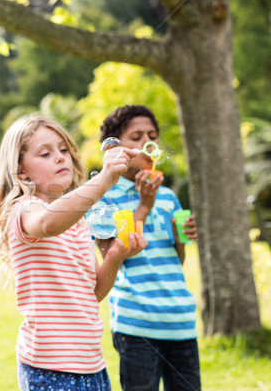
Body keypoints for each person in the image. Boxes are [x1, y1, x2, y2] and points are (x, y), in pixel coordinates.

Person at [0, 113, 147, 391]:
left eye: (63, 150)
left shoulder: (79, 222)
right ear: (21, 170)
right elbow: (49, 223)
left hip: (91, 363)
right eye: (46, 153)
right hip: (48, 366)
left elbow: (93, 292)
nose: (61, 157)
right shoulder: (25, 210)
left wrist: (114, 256)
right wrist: (107, 178)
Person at [94, 104, 200, 391]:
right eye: (136, 136)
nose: (146, 142)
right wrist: (143, 206)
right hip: (136, 323)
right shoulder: (103, 199)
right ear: (115, 149)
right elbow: (112, 258)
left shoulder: (168, 197)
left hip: (180, 320)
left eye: (151, 135)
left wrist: (183, 237)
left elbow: (177, 259)